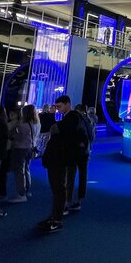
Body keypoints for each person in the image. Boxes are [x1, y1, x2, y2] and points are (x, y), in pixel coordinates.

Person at [40, 95, 86, 233]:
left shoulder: (72, 118)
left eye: (59, 106)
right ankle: (55, 217)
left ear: (67, 104)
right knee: (58, 188)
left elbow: (61, 133)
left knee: (59, 188)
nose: (57, 109)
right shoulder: (70, 118)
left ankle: (56, 219)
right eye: (56, 106)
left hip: (60, 158)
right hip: (59, 158)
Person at [65, 104, 94, 212]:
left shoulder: (76, 120)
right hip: (85, 152)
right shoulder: (88, 121)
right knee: (82, 176)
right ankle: (79, 201)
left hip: (74, 152)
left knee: (70, 176)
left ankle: (67, 201)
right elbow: (91, 137)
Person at [8, 105, 39, 203]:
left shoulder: (22, 125)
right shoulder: (36, 124)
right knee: (26, 169)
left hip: (20, 149)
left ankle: (21, 194)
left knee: (19, 171)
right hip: (30, 148)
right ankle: (27, 190)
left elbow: (13, 135)